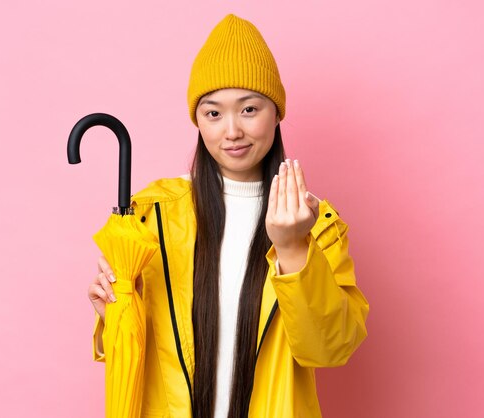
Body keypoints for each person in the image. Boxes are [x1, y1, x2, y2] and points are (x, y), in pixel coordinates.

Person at [88, 14, 369, 418]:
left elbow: (330, 348)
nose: (231, 131)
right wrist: (111, 315)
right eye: (213, 113)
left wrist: (291, 247)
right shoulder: (153, 215)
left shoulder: (315, 222)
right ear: (197, 121)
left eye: (249, 109)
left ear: (277, 113)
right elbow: (137, 353)